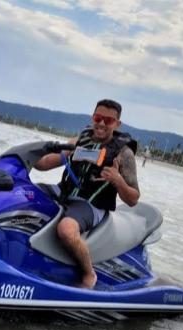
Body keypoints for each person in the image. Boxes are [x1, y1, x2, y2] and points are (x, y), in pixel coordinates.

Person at [35, 99, 140, 289]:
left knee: (66, 229)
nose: (101, 123)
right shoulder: (80, 140)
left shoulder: (124, 154)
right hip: (64, 192)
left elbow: (133, 199)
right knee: (25, 193)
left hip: (92, 204)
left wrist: (117, 180)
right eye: (98, 118)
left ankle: (89, 274)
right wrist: (28, 155)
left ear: (117, 124)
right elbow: (45, 164)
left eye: (108, 121)